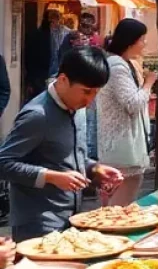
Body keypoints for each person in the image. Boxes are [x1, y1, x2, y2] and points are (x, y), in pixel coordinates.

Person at [0, 47, 123, 240]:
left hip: (72, 220)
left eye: (95, 93)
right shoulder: (37, 115)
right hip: (38, 226)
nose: (90, 100)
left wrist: (94, 169)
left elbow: (67, 155)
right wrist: (51, 177)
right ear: (63, 80)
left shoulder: (78, 110)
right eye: (86, 92)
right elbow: (4, 163)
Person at [94, 19, 155, 207]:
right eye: (142, 39)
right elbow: (132, 103)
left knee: (118, 197)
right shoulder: (117, 66)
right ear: (131, 41)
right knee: (120, 202)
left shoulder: (124, 63)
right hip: (121, 145)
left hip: (122, 144)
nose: (144, 44)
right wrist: (149, 83)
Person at [24, 7, 71, 99]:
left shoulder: (63, 33)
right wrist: (31, 80)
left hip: (57, 73)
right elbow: (30, 59)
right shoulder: (36, 35)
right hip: (40, 76)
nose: (55, 22)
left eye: (57, 18)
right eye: (52, 19)